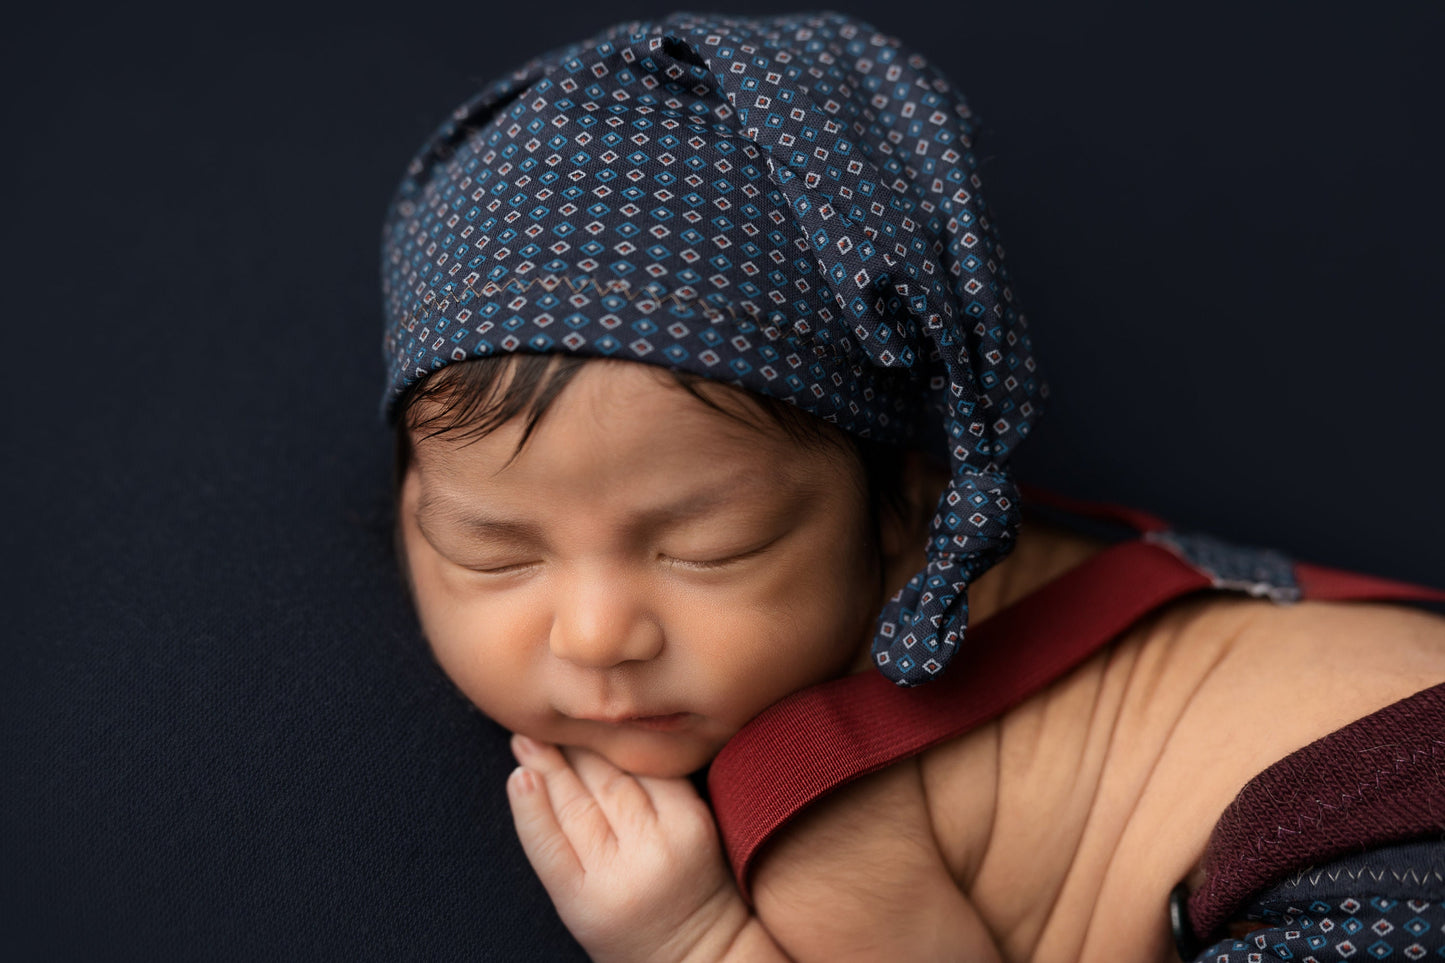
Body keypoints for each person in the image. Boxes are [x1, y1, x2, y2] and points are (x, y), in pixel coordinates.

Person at [380, 12, 1445, 961]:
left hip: (1372, 854)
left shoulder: (811, 803)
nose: (598, 632)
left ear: (908, 503)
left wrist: (690, 938)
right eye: (493, 549)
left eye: (709, 547)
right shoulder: (1043, 547)